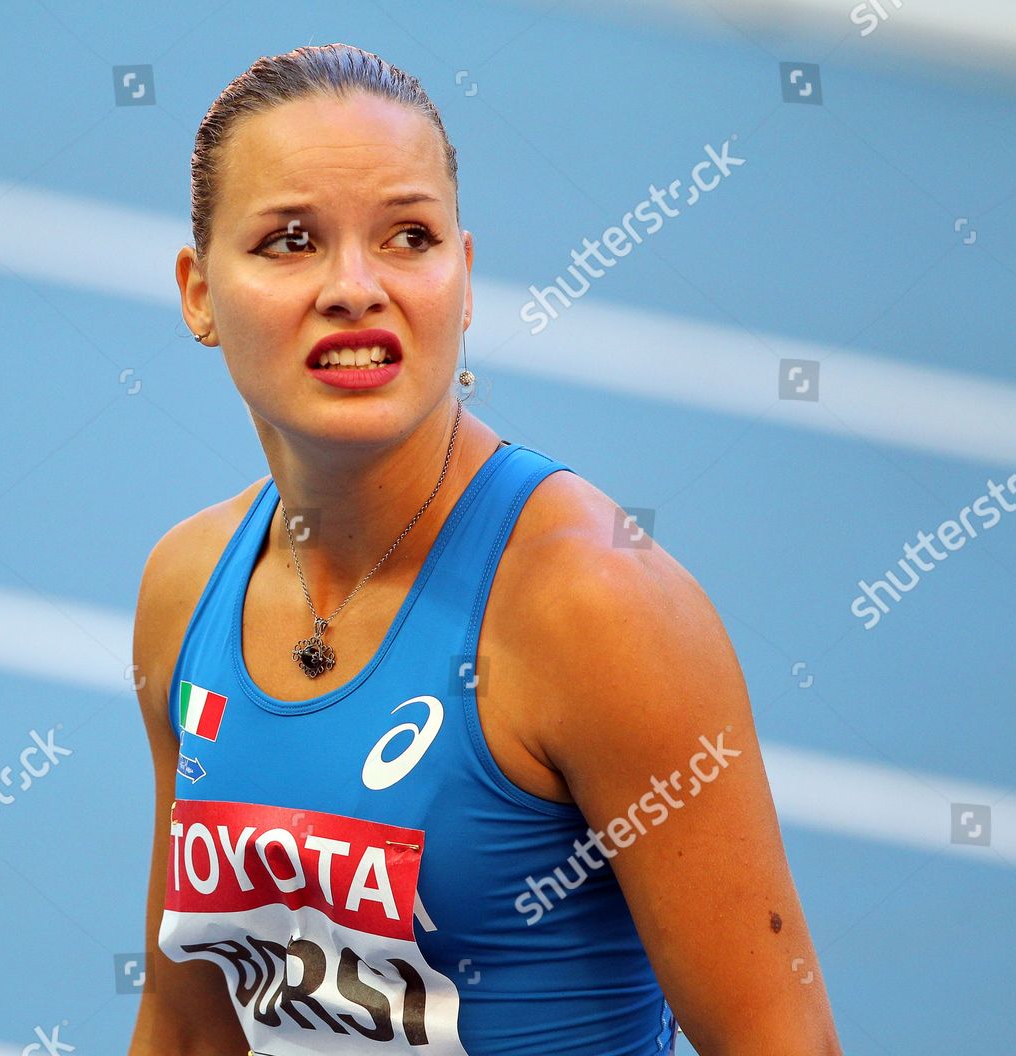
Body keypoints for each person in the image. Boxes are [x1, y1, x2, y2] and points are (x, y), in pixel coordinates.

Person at [128, 43, 842, 1056]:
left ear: (464, 277)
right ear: (200, 292)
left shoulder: (593, 607)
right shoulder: (188, 590)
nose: (354, 287)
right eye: (291, 241)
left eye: (407, 237)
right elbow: (192, 1029)